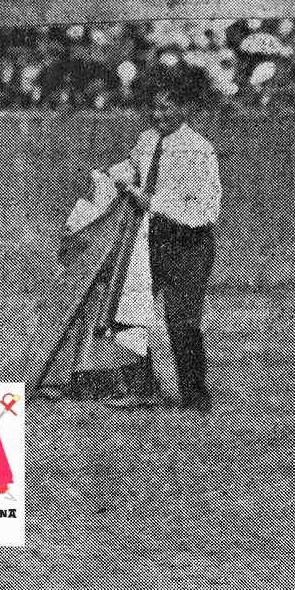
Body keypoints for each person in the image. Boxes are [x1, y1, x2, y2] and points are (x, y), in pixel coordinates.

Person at [115, 81, 221, 412]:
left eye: (168, 108)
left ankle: (194, 394)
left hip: (189, 242)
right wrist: (116, 175)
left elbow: (205, 209)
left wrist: (153, 203)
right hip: (152, 237)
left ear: (185, 110)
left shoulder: (199, 149)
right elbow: (134, 167)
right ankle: (141, 385)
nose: (159, 114)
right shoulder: (147, 140)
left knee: (183, 320)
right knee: (131, 311)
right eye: (156, 107)